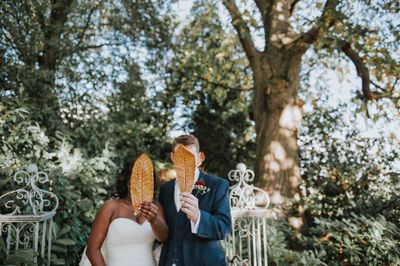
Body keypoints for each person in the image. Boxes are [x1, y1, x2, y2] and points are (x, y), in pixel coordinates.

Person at [79, 158, 169, 266]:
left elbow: (164, 237)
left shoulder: (155, 207)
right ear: (126, 180)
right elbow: (92, 249)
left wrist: (154, 220)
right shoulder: (111, 206)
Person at [158, 134, 232, 266]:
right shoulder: (165, 190)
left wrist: (198, 216)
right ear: (173, 158)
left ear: (199, 158)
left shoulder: (217, 185)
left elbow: (224, 229)